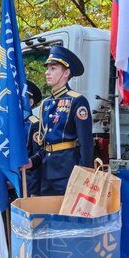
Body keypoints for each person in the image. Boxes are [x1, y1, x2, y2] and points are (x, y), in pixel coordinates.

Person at [25, 45, 93, 196]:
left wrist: (84, 178)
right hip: (46, 173)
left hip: (68, 173)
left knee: (67, 218)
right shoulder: (45, 104)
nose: (47, 73)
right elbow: (44, 147)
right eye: (47, 69)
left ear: (66, 73)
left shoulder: (77, 101)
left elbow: (86, 144)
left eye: (53, 68)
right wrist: (32, 162)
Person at [23, 80, 43, 197]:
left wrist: (34, 191)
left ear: (30, 102)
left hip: (26, 184)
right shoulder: (7, 124)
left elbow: (37, 159)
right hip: (6, 182)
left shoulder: (34, 124)